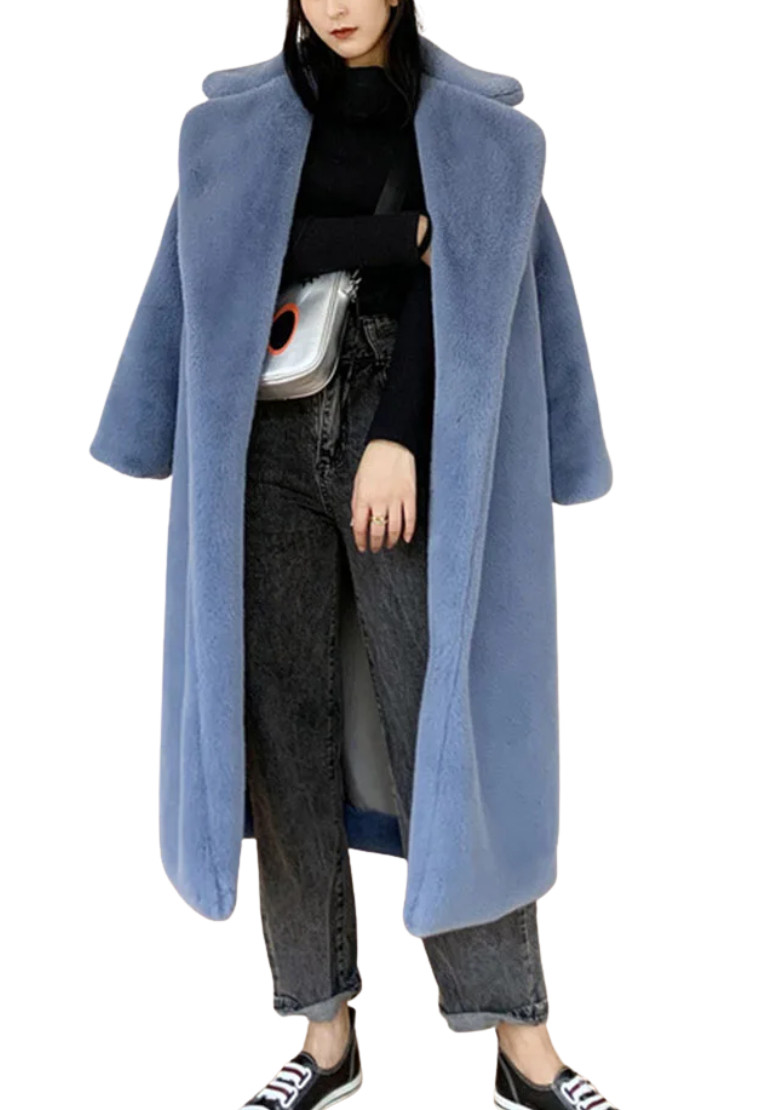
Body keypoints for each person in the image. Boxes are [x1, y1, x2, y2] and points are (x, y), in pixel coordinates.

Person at [236, 4, 620, 1110]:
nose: (337, 4)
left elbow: (471, 291)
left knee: (446, 730)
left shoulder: (469, 128)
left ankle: (523, 1042)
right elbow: (245, 250)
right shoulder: (245, 123)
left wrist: (398, 436)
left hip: (402, 436)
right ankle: (325, 1037)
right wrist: (403, 238)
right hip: (266, 439)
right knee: (285, 736)